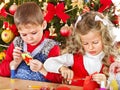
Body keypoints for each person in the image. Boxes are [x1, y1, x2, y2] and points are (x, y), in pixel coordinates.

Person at [44, 11, 118, 88]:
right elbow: (47, 64)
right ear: (80, 41)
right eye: (85, 43)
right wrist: (61, 68)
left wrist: (105, 82)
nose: (90, 47)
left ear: (104, 38)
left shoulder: (112, 60)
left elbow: (116, 86)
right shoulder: (76, 57)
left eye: (95, 42)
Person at [0, 2, 62, 82]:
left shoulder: (51, 47)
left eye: (34, 33)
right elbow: (1, 71)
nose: (29, 38)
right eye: (24, 34)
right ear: (19, 31)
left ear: (43, 25)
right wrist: (15, 63)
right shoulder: (17, 44)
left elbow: (58, 79)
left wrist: (42, 69)